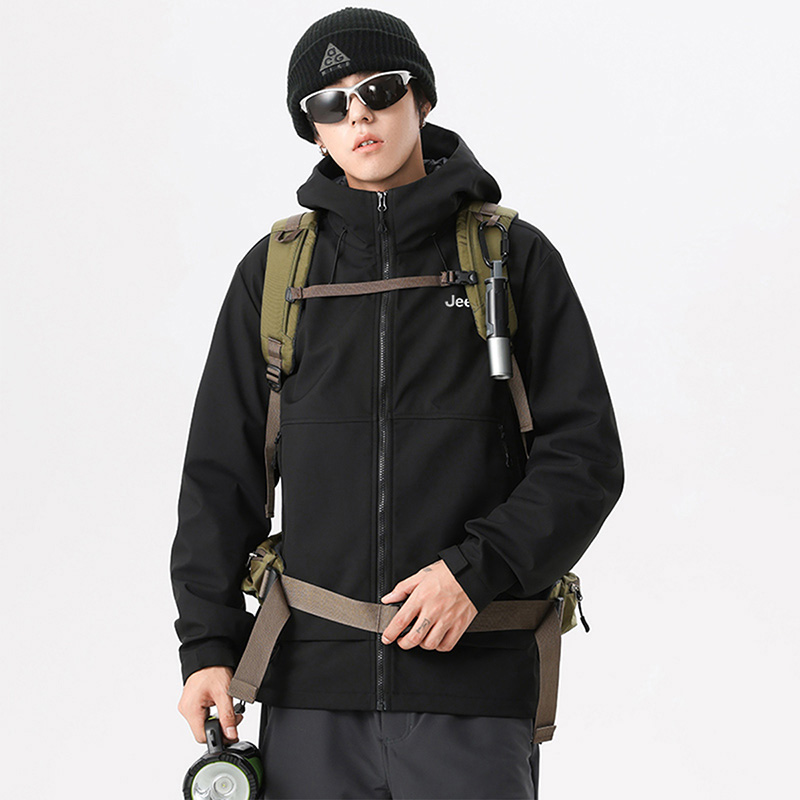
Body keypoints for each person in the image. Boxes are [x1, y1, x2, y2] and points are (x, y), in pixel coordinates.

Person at [171, 7, 624, 798]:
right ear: (314, 131)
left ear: (421, 98)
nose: (358, 114)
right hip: (311, 693)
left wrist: (475, 572)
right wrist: (208, 645)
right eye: (329, 102)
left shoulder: (512, 259)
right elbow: (221, 475)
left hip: (472, 689)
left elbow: (584, 459)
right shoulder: (276, 274)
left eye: (378, 89)